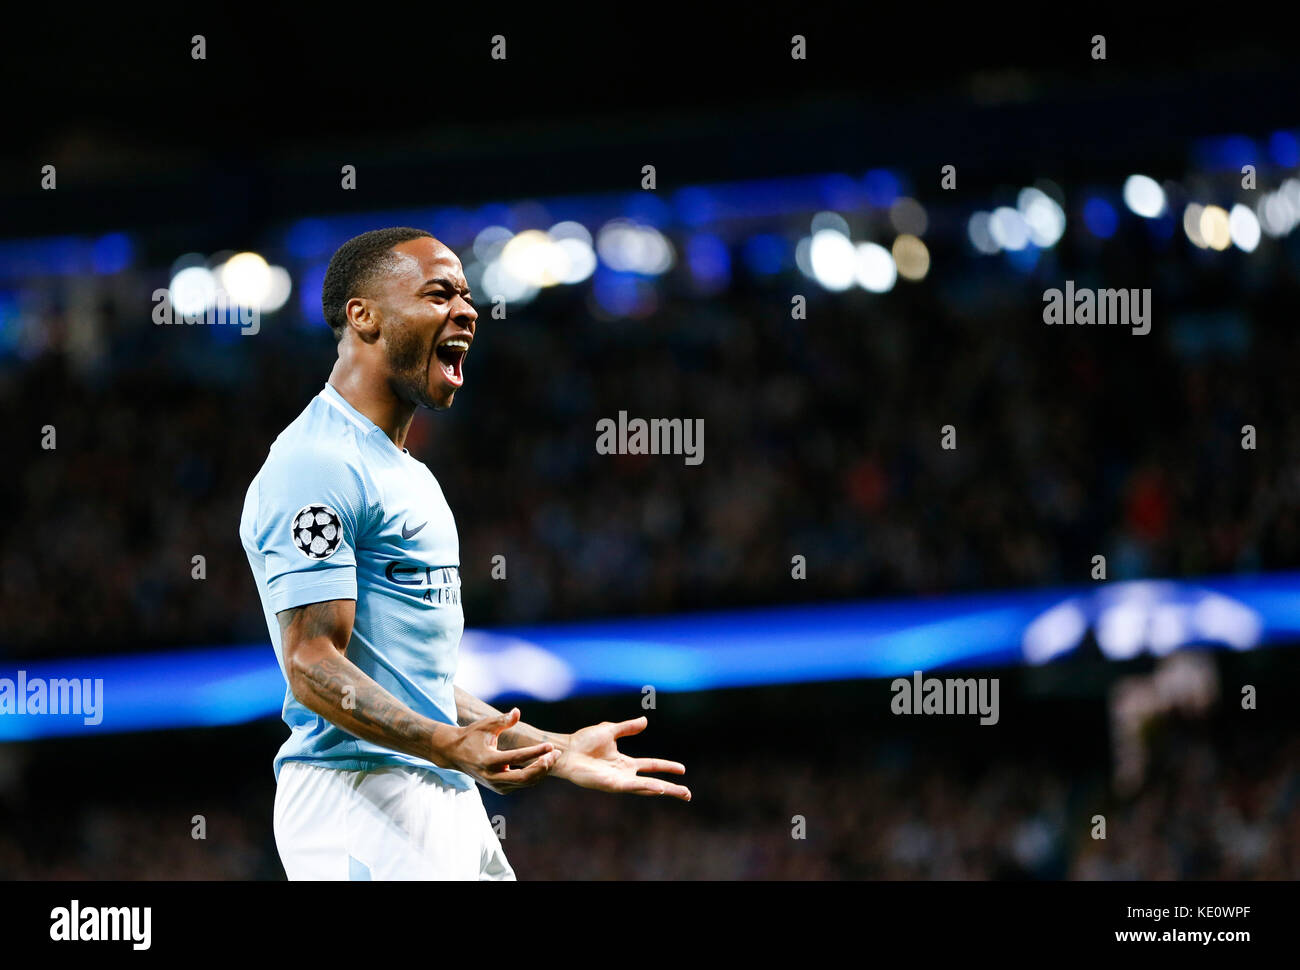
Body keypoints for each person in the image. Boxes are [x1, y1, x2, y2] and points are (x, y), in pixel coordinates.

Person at [239, 227, 689, 880]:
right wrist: (446, 745)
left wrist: (553, 749)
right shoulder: (316, 463)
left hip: (434, 790)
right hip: (360, 795)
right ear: (362, 316)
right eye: (439, 293)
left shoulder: (406, 470)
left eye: (468, 295)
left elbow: (411, 683)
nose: (468, 310)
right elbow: (310, 661)